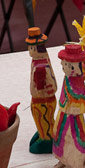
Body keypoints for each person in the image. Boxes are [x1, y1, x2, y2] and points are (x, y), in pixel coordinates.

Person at [52, 42, 85, 168]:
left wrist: (70, 109)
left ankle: (76, 167)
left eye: (69, 66)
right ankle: (64, 161)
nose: (65, 68)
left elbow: (83, 105)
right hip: (63, 114)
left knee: (72, 141)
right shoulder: (67, 78)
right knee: (59, 137)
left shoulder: (77, 81)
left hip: (74, 120)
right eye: (64, 65)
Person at [26, 27, 57, 155]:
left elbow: (45, 88)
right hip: (42, 100)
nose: (29, 51)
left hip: (42, 101)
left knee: (43, 119)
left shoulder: (40, 67)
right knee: (44, 120)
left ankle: (47, 139)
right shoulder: (39, 61)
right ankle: (44, 133)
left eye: (31, 48)